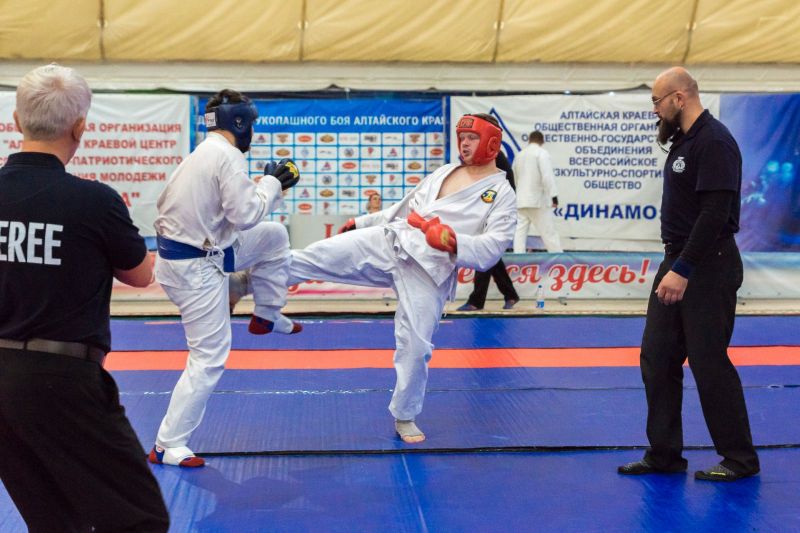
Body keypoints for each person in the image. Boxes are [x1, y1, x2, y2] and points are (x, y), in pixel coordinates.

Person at [0, 64, 169, 531]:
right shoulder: (94, 201)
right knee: (141, 517)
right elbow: (140, 275)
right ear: (79, 128)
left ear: (17, 121)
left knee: (53, 520)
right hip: (62, 379)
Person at [278, 113, 516, 443]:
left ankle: (405, 415)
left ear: (491, 141)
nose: (464, 143)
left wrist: (453, 241)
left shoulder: (501, 193)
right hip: (393, 240)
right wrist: (363, 222)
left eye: (472, 137)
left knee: (416, 347)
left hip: (429, 270)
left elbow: (492, 249)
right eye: (461, 136)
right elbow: (403, 210)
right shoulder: (445, 171)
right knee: (317, 256)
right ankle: (246, 279)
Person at [618, 67, 760, 481]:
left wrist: (683, 269)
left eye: (657, 101)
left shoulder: (714, 141)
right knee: (657, 356)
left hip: (707, 265)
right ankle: (664, 454)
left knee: (707, 360)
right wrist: (675, 264)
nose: (654, 110)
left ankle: (739, 459)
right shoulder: (684, 141)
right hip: (679, 260)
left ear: (679, 98)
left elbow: (715, 213)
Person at [149, 89, 302, 468]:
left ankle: (266, 312)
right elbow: (246, 214)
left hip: (201, 254)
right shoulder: (227, 156)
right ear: (240, 122)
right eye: (251, 124)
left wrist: (267, 186)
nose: (253, 132)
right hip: (195, 268)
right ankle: (168, 444)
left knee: (274, 237)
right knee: (209, 356)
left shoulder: (203, 153)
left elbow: (235, 215)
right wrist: (272, 184)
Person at [457, 150, 520, 310]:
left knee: (484, 250)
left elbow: (506, 181)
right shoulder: (476, 154)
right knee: (491, 255)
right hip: (486, 205)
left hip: (497, 207)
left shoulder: (492, 155)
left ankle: (476, 301)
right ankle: (510, 295)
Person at [512, 130, 563, 253]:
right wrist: (554, 196)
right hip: (537, 200)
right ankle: (558, 258)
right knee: (549, 232)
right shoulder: (541, 153)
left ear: (529, 140)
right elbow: (547, 176)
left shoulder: (519, 155)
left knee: (520, 233)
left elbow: (515, 176)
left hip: (521, 200)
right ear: (542, 141)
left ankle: (518, 258)